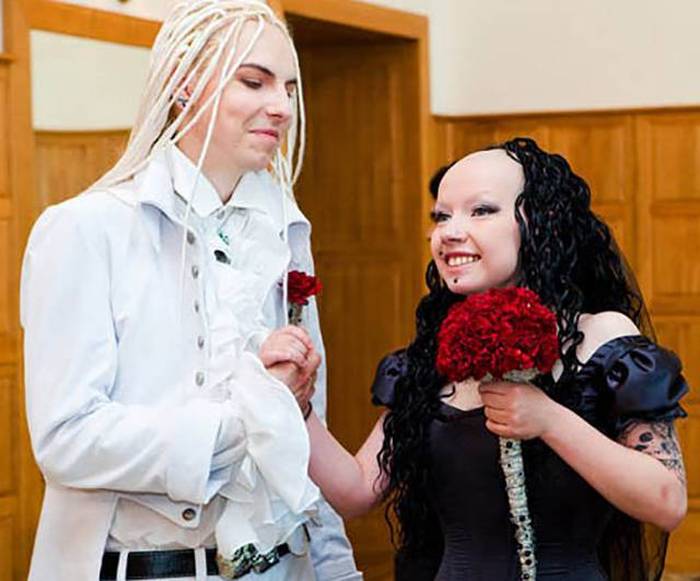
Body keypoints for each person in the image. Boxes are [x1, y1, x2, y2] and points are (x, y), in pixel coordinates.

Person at [20, 1, 360, 580]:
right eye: (253, 81)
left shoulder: (283, 232)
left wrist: (336, 569)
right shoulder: (85, 230)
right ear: (182, 84)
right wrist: (247, 420)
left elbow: (307, 428)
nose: (281, 107)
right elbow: (67, 439)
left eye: (289, 88)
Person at [264, 137, 689, 580]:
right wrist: (296, 404)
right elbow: (355, 493)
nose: (449, 232)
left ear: (539, 222)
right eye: (441, 216)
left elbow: (667, 502)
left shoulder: (602, 341)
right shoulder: (426, 359)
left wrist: (549, 420)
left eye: (481, 210)